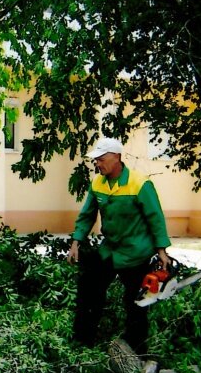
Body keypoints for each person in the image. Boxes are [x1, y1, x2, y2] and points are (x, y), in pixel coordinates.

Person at [66, 137, 171, 356]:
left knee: (136, 303)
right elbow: (87, 215)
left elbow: (155, 218)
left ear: (117, 158)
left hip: (136, 252)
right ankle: (82, 342)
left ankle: (136, 350)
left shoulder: (140, 184)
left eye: (101, 159)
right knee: (89, 291)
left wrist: (162, 251)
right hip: (110, 249)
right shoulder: (98, 183)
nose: (97, 164)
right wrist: (76, 242)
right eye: (96, 160)